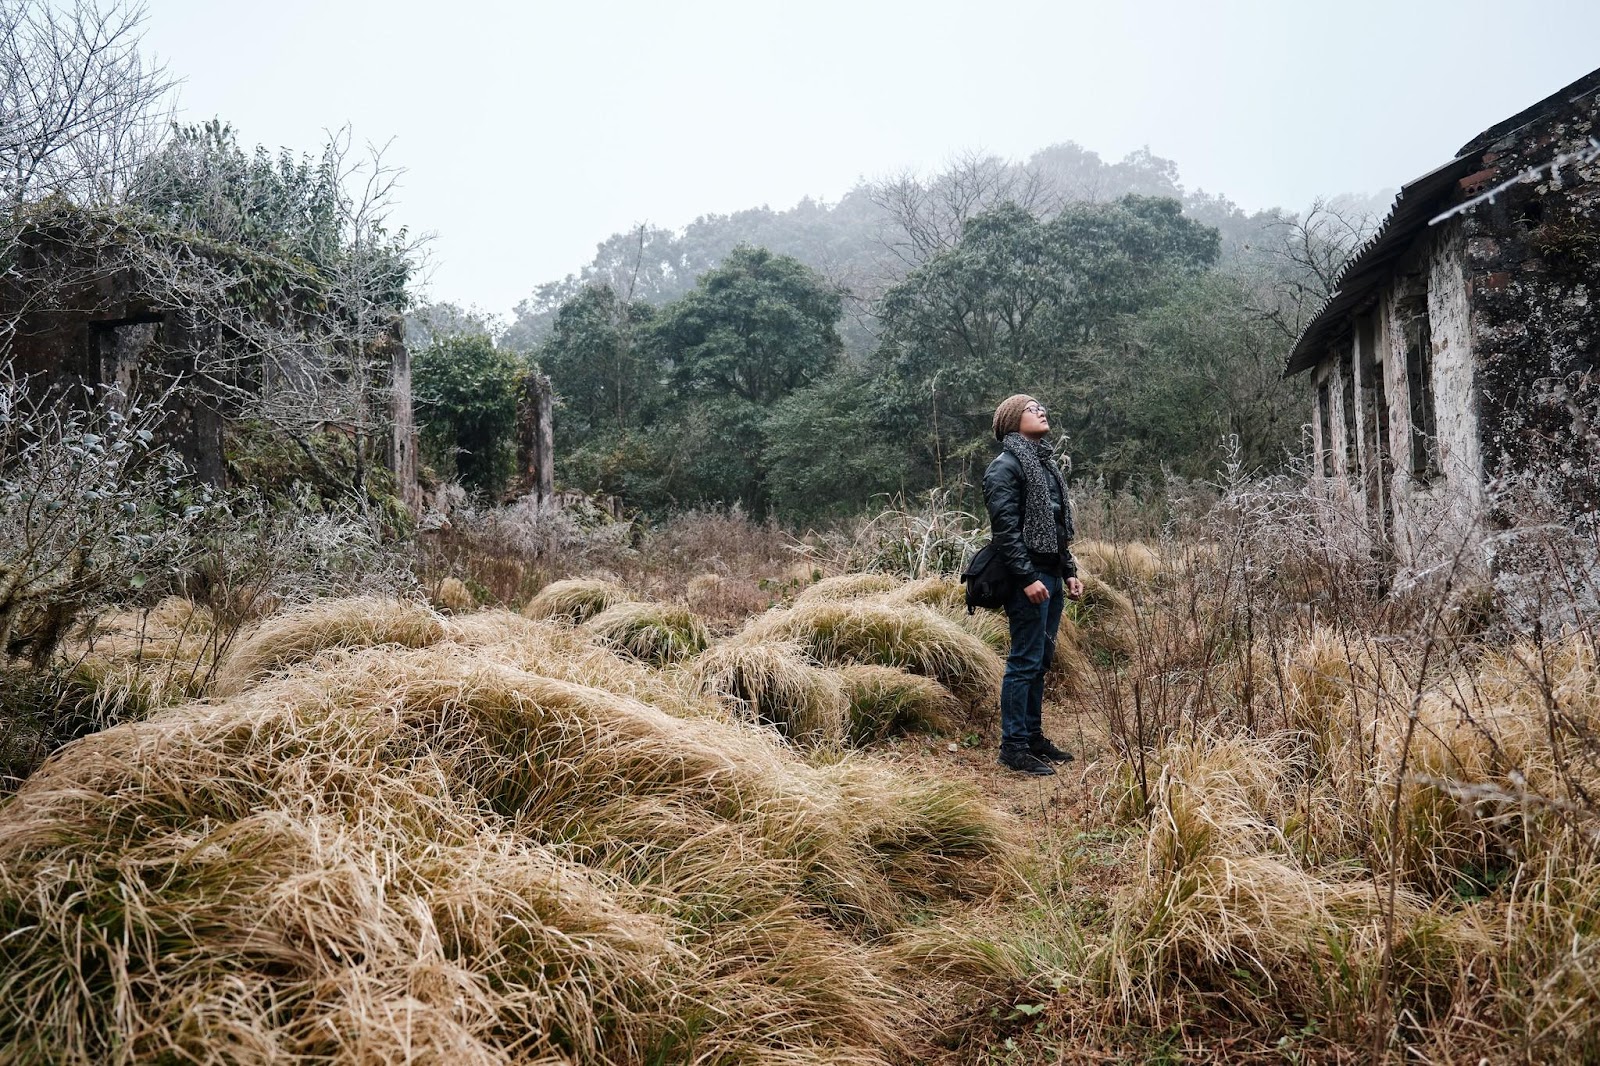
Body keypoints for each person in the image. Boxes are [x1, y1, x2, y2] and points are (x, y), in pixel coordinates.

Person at [982, 394, 1083, 776]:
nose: (1040, 410)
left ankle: (1033, 736)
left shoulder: (1044, 467)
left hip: (1051, 574)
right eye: (1030, 408)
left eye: (1041, 407)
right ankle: (1013, 746)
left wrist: (1068, 570)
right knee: (1023, 661)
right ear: (1011, 421)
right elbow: (1005, 532)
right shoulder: (1004, 468)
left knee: (1039, 661)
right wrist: (1026, 579)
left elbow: (1056, 528)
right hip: (1028, 578)